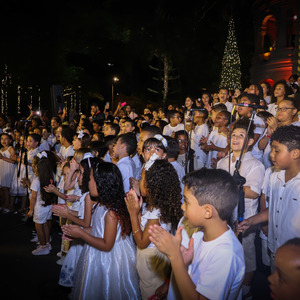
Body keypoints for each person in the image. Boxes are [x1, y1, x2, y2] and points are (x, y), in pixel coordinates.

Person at [148, 168, 245, 300]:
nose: (182, 207)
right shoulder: (200, 234)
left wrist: (175, 257)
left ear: (207, 212)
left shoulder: (226, 253)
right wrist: (184, 263)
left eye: (187, 202)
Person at [62, 160, 141, 300]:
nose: (88, 182)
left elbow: (107, 244)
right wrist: (77, 234)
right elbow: (97, 230)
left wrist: (81, 233)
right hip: (96, 253)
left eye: (91, 179)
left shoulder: (111, 213)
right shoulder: (101, 204)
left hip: (110, 260)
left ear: (101, 183)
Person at [237, 125, 300, 273]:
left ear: (295, 153)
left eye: (277, 151)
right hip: (276, 250)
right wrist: (251, 221)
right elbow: (274, 209)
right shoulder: (273, 175)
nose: (271, 155)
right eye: (271, 150)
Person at [217, 118, 265, 298]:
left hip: (246, 217)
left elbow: (253, 192)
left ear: (250, 141)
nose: (235, 139)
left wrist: (231, 186)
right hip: (224, 216)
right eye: (233, 135)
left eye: (241, 136)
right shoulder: (223, 162)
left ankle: (246, 291)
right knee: (228, 253)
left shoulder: (255, 164)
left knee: (247, 255)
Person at [125, 159, 182, 300]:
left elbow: (142, 242)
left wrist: (132, 214)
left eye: (143, 178)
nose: (139, 180)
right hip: (149, 258)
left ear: (153, 184)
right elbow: (142, 228)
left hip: (152, 261)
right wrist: (138, 211)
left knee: (150, 293)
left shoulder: (155, 214)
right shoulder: (153, 206)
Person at [28, 152, 57, 255]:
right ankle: (47, 242)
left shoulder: (36, 181)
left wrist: (31, 210)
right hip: (49, 205)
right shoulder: (52, 176)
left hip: (40, 207)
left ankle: (43, 246)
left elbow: (33, 197)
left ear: (36, 167)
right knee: (47, 223)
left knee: (39, 226)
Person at [10, 133, 41, 215]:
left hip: (33, 175)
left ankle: (33, 213)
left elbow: (34, 164)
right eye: (27, 141)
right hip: (28, 175)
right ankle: (28, 212)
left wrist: (19, 160)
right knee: (28, 195)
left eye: (30, 141)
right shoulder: (28, 151)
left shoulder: (38, 152)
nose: (28, 143)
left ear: (36, 143)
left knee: (33, 195)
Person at [0, 133, 17, 212]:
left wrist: (3, 158)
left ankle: (7, 205)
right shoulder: (1, 149)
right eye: (2, 138)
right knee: (2, 188)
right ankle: (3, 203)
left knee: (6, 188)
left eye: (6, 139)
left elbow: (13, 161)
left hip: (8, 169)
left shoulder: (10, 149)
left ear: (10, 141)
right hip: (2, 169)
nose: (4, 140)